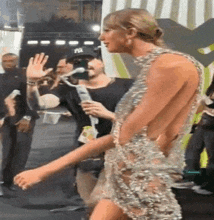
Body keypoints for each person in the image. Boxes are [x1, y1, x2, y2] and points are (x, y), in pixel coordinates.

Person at [14, 9, 202, 219]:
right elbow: (40, 104)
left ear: (130, 32)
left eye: (108, 30)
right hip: (129, 170)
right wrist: (32, 83)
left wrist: (45, 170)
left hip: (136, 172)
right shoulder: (163, 66)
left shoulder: (167, 65)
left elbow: (125, 135)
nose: (101, 37)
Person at [24, 47, 134, 207]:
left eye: (89, 59)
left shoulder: (127, 85)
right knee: (90, 205)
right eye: (77, 62)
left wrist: (110, 115)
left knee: (99, 201)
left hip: (119, 153)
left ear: (101, 62)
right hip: (86, 154)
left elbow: (146, 121)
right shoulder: (69, 89)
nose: (84, 65)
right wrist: (32, 83)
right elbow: (39, 104)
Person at [0, 53, 39, 195]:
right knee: (7, 151)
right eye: (5, 61)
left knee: (20, 151)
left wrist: (28, 117)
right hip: (7, 120)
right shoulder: (1, 78)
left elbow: (33, 99)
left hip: (24, 120)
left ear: (16, 61)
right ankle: (5, 181)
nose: (8, 63)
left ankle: (17, 180)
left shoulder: (25, 76)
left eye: (11, 61)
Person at [183, 67, 214, 195]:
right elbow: (200, 108)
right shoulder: (211, 91)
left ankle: (211, 186)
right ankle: (192, 178)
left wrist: (210, 110)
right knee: (191, 154)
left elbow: (212, 110)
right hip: (202, 127)